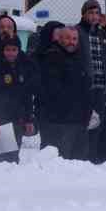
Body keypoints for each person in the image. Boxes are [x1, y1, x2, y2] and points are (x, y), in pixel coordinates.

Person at [38, 25, 94, 160]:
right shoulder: (52, 58)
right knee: (60, 164)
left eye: (75, 39)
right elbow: (53, 91)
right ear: (59, 38)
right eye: (68, 38)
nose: (72, 42)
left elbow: (85, 88)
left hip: (79, 121)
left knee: (79, 163)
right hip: (59, 123)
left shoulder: (79, 59)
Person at [76, 0, 106, 160]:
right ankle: (82, 157)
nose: (94, 16)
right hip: (85, 88)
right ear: (84, 14)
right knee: (84, 124)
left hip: (101, 87)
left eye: (97, 13)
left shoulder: (102, 33)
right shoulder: (78, 31)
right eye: (91, 13)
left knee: (97, 124)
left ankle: (93, 157)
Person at [0, 36, 36, 161]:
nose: (11, 53)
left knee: (14, 157)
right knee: (4, 159)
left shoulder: (23, 68)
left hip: (18, 119)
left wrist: (29, 119)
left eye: (14, 50)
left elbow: (27, 95)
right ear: (3, 51)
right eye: (8, 50)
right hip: (2, 120)